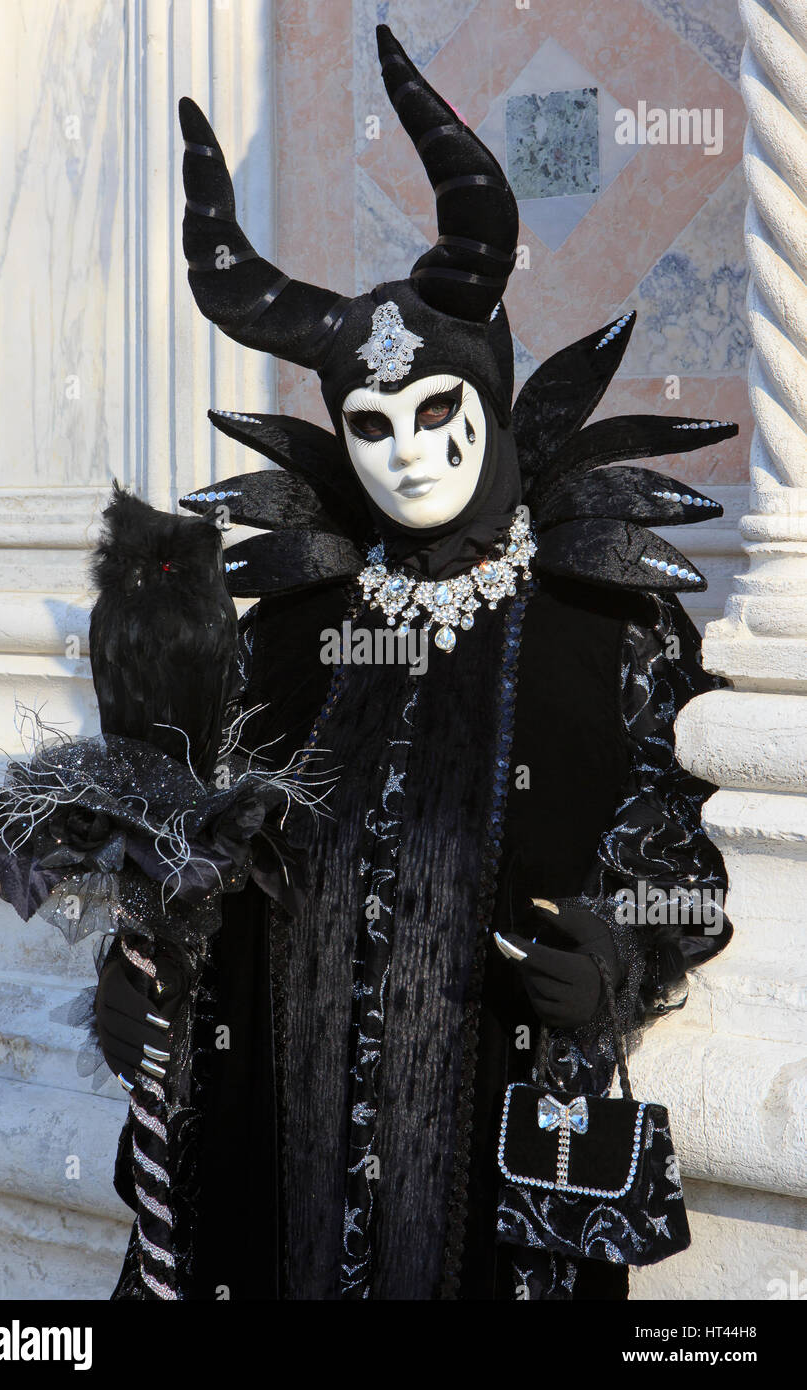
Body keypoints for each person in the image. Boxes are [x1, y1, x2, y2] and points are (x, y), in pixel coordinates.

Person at [97, 25, 735, 1301]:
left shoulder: (601, 616)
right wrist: (140, 968)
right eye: (369, 425)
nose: (403, 452)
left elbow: (678, 843)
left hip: (490, 1158)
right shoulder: (285, 621)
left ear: (490, 404)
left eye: (436, 413)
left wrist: (623, 943)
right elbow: (202, 837)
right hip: (282, 1155)